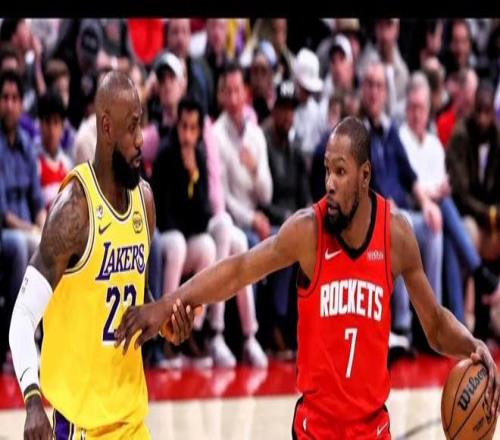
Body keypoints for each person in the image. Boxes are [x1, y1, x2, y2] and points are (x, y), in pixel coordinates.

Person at [116, 116, 500, 438]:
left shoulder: (395, 235)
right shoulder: (308, 232)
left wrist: (472, 345)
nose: (329, 182)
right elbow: (239, 269)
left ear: (365, 175)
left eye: (341, 171)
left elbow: (435, 324)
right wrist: (169, 303)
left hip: (373, 430)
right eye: (327, 170)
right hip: (315, 430)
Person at [8, 71, 194, 439]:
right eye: (132, 127)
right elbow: (22, 317)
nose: (141, 139)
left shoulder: (145, 201)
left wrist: (164, 324)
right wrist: (32, 400)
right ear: (106, 127)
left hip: (131, 421)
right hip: (81, 425)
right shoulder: (73, 211)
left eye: (142, 125)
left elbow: (136, 300)